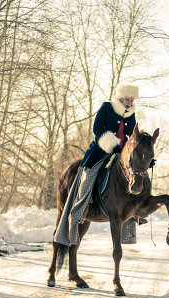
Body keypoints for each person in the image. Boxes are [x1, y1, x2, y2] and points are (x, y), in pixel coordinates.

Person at [54, 84, 140, 248]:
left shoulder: (132, 115)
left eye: (132, 100)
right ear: (121, 98)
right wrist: (112, 144)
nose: (129, 102)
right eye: (127, 99)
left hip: (122, 155)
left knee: (136, 177)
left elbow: (133, 137)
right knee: (90, 175)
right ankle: (81, 208)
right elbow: (97, 129)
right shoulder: (107, 107)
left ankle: (133, 216)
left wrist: (137, 155)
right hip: (101, 151)